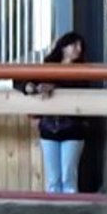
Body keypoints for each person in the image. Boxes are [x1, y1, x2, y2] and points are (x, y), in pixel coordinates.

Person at [16, 31, 92, 194]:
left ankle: (69, 211)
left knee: (67, 178)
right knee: (54, 179)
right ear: (63, 47)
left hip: (73, 129)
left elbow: (80, 88)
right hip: (49, 127)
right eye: (74, 44)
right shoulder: (47, 67)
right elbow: (20, 80)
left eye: (80, 46)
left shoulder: (83, 70)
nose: (78, 49)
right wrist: (29, 86)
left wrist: (54, 87)